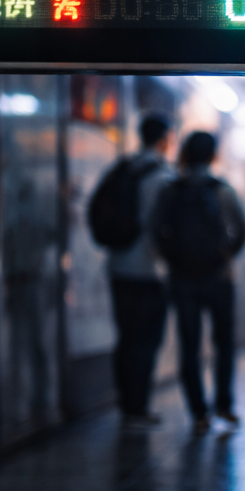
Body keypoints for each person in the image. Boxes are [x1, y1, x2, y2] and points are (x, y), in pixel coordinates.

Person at [151, 131, 245, 433]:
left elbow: (156, 230)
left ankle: (198, 413)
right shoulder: (223, 191)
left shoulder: (171, 190)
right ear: (213, 156)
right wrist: (225, 256)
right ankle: (224, 405)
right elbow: (243, 230)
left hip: (183, 280)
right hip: (218, 279)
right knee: (224, 344)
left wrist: (173, 260)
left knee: (189, 346)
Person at [90, 112, 173, 431]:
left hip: (118, 266)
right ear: (164, 138)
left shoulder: (123, 167)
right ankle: (138, 406)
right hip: (149, 272)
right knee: (147, 340)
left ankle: (127, 404)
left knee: (126, 337)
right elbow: (157, 227)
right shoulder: (161, 175)